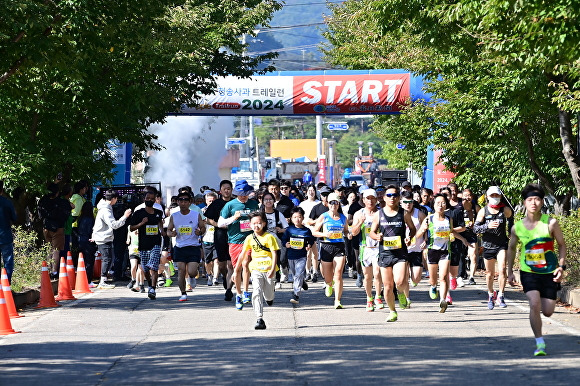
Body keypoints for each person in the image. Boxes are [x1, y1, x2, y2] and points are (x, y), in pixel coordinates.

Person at [507, 184, 566, 356]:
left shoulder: (551, 222)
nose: (534, 203)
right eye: (530, 199)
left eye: (537, 199)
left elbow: (562, 245)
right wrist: (510, 271)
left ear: (542, 202)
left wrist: (561, 267)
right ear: (524, 202)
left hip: (549, 272)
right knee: (534, 303)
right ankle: (539, 342)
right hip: (528, 271)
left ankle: (541, 315)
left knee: (547, 312)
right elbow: (511, 248)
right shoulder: (517, 227)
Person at [369, 185, 416, 322]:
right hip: (385, 254)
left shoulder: (404, 213)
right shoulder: (379, 214)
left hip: (400, 253)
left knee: (400, 281)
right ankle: (392, 311)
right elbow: (372, 232)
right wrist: (376, 236)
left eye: (395, 195)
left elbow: (412, 229)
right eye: (389, 195)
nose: (392, 198)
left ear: (398, 198)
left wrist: (409, 237)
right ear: (384, 198)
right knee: (388, 287)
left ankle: (401, 292)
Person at [415, 194, 468, 313]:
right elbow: (418, 234)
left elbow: (452, 232)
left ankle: (443, 300)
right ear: (433, 205)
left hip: (445, 251)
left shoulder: (449, 219)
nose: (440, 205)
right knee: (433, 279)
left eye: (443, 203)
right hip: (432, 251)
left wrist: (463, 239)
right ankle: (433, 286)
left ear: (446, 205)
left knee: (444, 277)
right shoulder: (429, 219)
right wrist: (423, 230)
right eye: (438, 203)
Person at [233, 211, 279, 330]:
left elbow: (274, 254)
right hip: (255, 269)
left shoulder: (269, 237)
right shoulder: (249, 238)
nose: (256, 226)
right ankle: (259, 318)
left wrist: (273, 269)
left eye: (259, 223)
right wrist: (236, 270)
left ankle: (270, 298)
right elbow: (242, 254)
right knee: (256, 292)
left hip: (269, 270)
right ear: (250, 224)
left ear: (264, 224)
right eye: (253, 223)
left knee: (268, 295)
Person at [218, 180, 259, 310]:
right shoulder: (230, 205)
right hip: (235, 241)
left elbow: (259, 220)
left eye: (245, 194)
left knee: (247, 264)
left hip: (250, 240)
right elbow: (220, 223)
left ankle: (246, 291)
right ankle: (239, 294)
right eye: (241, 194)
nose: (243, 196)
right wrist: (233, 218)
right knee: (237, 269)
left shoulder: (254, 204)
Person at [474, 186, 513, 309]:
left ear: (500, 196)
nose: (495, 198)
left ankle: (501, 295)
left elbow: (511, 219)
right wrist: (487, 226)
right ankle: (491, 294)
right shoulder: (483, 211)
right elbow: (475, 228)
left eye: (497, 195)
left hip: (501, 244)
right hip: (487, 245)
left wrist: (511, 232)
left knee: (502, 269)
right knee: (489, 274)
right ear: (487, 197)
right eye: (492, 196)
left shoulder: (505, 210)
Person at [312, 192, 349, 309]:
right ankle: (329, 284)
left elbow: (346, 231)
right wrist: (324, 234)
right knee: (328, 276)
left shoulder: (343, 218)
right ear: (328, 204)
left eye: (336, 203)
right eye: (332, 202)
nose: (334, 205)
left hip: (339, 246)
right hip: (326, 246)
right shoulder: (324, 216)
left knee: (338, 274)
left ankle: (337, 301)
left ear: (338, 204)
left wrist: (349, 234)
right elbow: (314, 231)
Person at [167, 191, 205, 302]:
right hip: (180, 247)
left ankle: (193, 275)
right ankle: (183, 293)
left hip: (193, 247)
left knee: (192, 271)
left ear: (190, 202)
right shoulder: (174, 216)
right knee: (181, 271)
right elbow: (168, 230)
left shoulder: (195, 214)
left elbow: (203, 227)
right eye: (181, 200)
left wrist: (200, 232)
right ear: (178, 202)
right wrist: (171, 233)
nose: (183, 202)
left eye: (185, 200)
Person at [92, 189, 132, 288]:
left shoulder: (104, 208)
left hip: (103, 236)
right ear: (113, 198)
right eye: (116, 199)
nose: (117, 201)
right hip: (103, 237)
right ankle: (103, 281)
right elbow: (114, 225)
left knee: (108, 259)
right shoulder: (106, 210)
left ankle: (103, 280)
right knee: (107, 259)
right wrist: (125, 216)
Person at [351, 189, 382, 312]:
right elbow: (353, 232)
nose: (370, 201)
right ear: (363, 200)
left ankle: (378, 297)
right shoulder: (359, 214)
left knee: (377, 272)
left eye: (372, 198)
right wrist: (360, 222)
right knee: (368, 276)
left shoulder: (381, 213)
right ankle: (369, 298)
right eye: (367, 198)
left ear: (376, 199)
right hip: (365, 248)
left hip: (378, 247)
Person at [204, 180, 236, 300]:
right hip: (220, 236)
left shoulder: (236, 202)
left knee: (230, 263)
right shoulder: (216, 203)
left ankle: (228, 290)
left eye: (229, 188)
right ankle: (224, 276)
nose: (226, 190)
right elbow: (207, 219)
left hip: (234, 236)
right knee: (222, 265)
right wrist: (218, 225)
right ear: (220, 190)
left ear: (232, 190)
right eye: (224, 188)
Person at [130, 189, 164, 299]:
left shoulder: (158, 213)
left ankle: (152, 289)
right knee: (144, 268)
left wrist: (163, 231)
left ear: (155, 200)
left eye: (152, 199)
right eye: (147, 198)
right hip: (143, 244)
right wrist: (142, 223)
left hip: (156, 243)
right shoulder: (139, 213)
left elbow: (160, 225)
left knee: (154, 267)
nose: (149, 200)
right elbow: (131, 228)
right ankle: (149, 284)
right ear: (144, 199)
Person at [38, 182, 73, 277]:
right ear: (57, 193)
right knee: (56, 250)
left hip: (46, 227)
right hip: (58, 228)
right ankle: (54, 271)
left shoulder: (43, 201)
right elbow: (67, 212)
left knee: (49, 248)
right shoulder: (61, 202)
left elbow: (40, 213)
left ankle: (48, 269)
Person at [282, 207, 315, 304]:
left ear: (303, 218)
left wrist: (309, 245)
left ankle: (296, 294)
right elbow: (284, 240)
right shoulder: (289, 230)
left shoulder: (306, 231)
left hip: (302, 256)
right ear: (291, 219)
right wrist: (286, 244)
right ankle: (302, 282)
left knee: (298, 274)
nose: (297, 219)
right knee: (295, 274)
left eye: (299, 217)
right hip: (291, 256)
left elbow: (311, 240)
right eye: (295, 217)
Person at [400, 190, 426, 302]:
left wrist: (425, 240)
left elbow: (426, 229)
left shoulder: (419, 214)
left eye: (410, 202)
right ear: (401, 202)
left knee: (416, 277)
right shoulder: (397, 214)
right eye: (405, 202)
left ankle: (413, 281)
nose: (408, 204)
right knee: (404, 276)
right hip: (402, 249)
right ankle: (407, 297)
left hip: (416, 248)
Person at [0, 181, 17, 283]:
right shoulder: (7, 202)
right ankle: (6, 284)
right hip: (5, 235)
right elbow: (14, 218)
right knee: (8, 262)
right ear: (2, 190)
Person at [77, 201, 96, 286]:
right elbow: (91, 231)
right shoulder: (91, 219)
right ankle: (88, 280)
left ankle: (82, 279)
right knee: (89, 261)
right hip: (88, 241)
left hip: (80, 240)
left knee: (82, 261)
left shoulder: (80, 218)